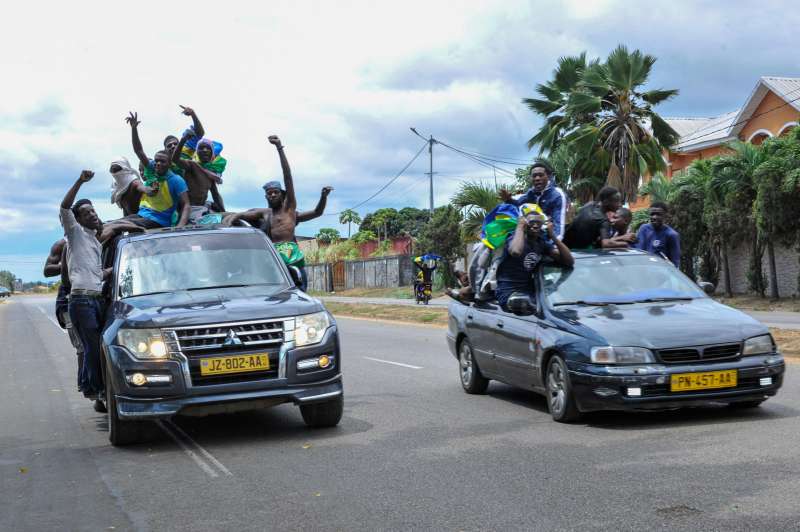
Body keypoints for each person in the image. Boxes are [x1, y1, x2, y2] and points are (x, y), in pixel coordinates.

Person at [222, 136, 332, 289]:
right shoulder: (265, 213)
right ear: (266, 196)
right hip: (273, 257)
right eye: (269, 193)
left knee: (299, 286)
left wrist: (279, 148)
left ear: (282, 195)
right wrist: (233, 216)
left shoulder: (290, 210)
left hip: (291, 257)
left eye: (275, 192)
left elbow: (289, 179)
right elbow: (244, 215)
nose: (272, 195)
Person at [59, 170, 110, 404]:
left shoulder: (93, 240)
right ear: (77, 220)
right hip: (81, 301)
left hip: (96, 299)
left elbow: (96, 273)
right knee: (91, 345)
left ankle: (89, 385)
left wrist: (111, 272)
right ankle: (97, 390)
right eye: (86, 213)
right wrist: (80, 181)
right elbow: (65, 207)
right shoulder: (75, 234)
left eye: (93, 211)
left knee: (96, 345)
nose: (92, 214)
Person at [495, 204, 574, 308]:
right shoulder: (514, 239)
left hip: (528, 291)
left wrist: (553, 236)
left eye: (539, 223)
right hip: (509, 292)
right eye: (531, 222)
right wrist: (519, 227)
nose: (535, 226)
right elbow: (515, 251)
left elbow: (569, 261)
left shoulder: (541, 243)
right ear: (525, 224)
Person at [125, 111, 191, 228]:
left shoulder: (177, 179)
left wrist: (179, 227)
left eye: (162, 161)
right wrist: (134, 128)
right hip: (142, 215)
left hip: (158, 220)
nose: (158, 164)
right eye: (156, 161)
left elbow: (186, 204)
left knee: (117, 226)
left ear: (170, 164)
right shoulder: (152, 168)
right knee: (111, 224)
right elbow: (139, 151)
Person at [43, 239, 86, 392]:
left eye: (92, 212)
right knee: (82, 347)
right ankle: (86, 386)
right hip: (67, 299)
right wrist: (68, 263)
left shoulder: (95, 235)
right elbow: (47, 270)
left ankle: (96, 389)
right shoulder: (62, 244)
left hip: (91, 296)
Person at [500, 161, 568, 239]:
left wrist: (553, 246)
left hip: (549, 237)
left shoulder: (557, 195)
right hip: (532, 234)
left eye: (541, 175)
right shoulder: (531, 193)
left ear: (548, 176)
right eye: (534, 176)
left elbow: (558, 225)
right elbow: (517, 204)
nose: (537, 178)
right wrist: (509, 200)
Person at [171, 132, 226, 221]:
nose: (205, 150)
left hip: (203, 208)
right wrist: (183, 140)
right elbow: (175, 159)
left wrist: (224, 212)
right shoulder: (191, 165)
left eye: (208, 148)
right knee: (217, 219)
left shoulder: (210, 174)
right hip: (190, 210)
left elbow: (215, 195)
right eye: (201, 148)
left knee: (231, 217)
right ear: (197, 152)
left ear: (212, 153)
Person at [563, 186, 630, 249]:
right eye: (617, 201)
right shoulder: (603, 221)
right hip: (576, 251)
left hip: (563, 243)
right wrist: (625, 244)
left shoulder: (589, 205)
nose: (620, 204)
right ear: (606, 202)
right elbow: (606, 244)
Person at [163, 105, 205, 176]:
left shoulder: (187, 148)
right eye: (169, 146)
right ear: (165, 150)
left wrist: (193, 114)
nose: (173, 146)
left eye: (175, 144)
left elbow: (200, 133)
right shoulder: (163, 162)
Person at [636, 201, 681, 267]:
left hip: (661, 272)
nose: (654, 217)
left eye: (658, 214)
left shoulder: (671, 235)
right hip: (643, 269)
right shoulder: (643, 229)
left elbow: (675, 262)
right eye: (652, 214)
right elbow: (638, 251)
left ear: (666, 216)